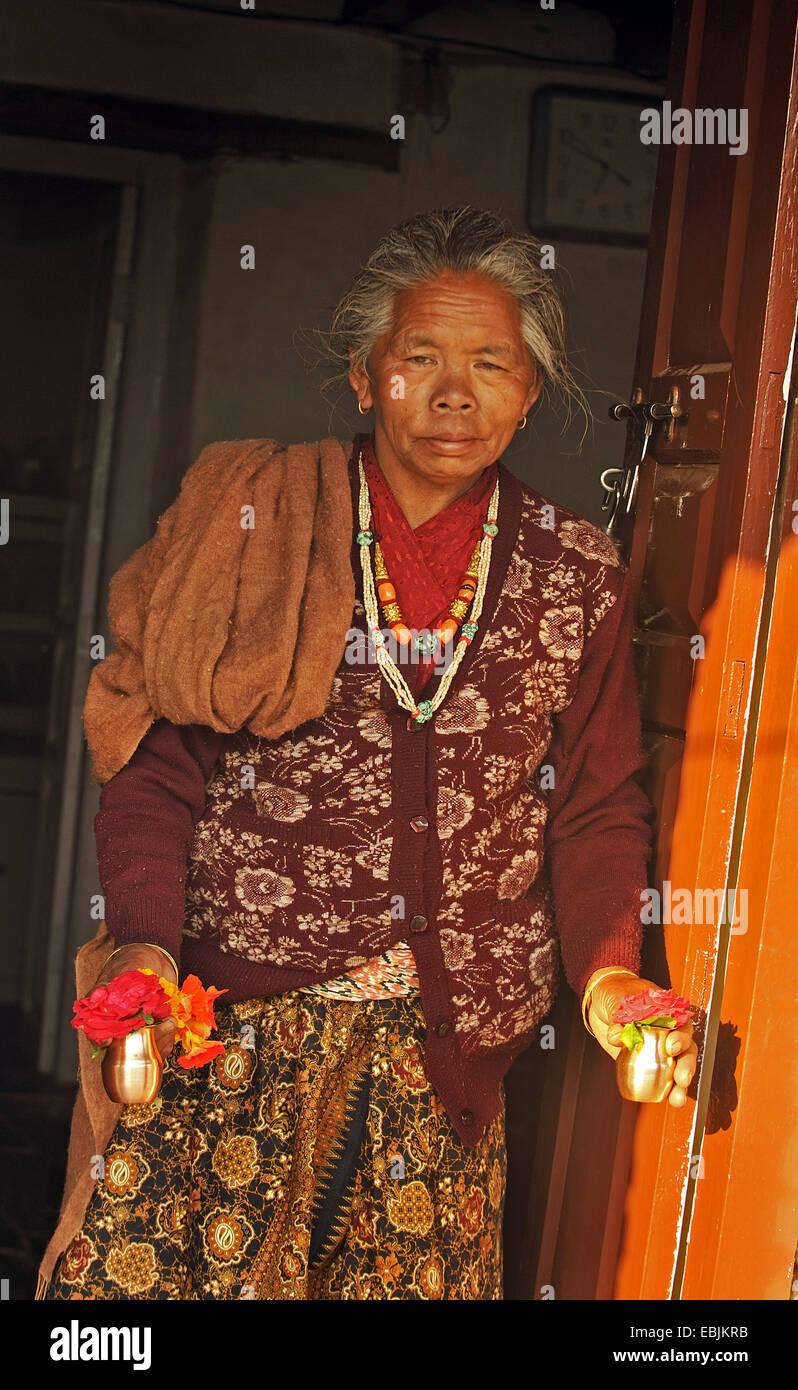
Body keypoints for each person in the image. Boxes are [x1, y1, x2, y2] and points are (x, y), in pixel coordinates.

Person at [39, 206, 697, 1301]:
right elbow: (156, 764)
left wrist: (612, 973)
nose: (454, 393)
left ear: (529, 391)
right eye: (421, 359)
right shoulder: (257, 521)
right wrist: (147, 948)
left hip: (438, 1076)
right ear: (363, 377)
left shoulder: (575, 574)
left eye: (492, 363)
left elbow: (593, 805)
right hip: (225, 1039)